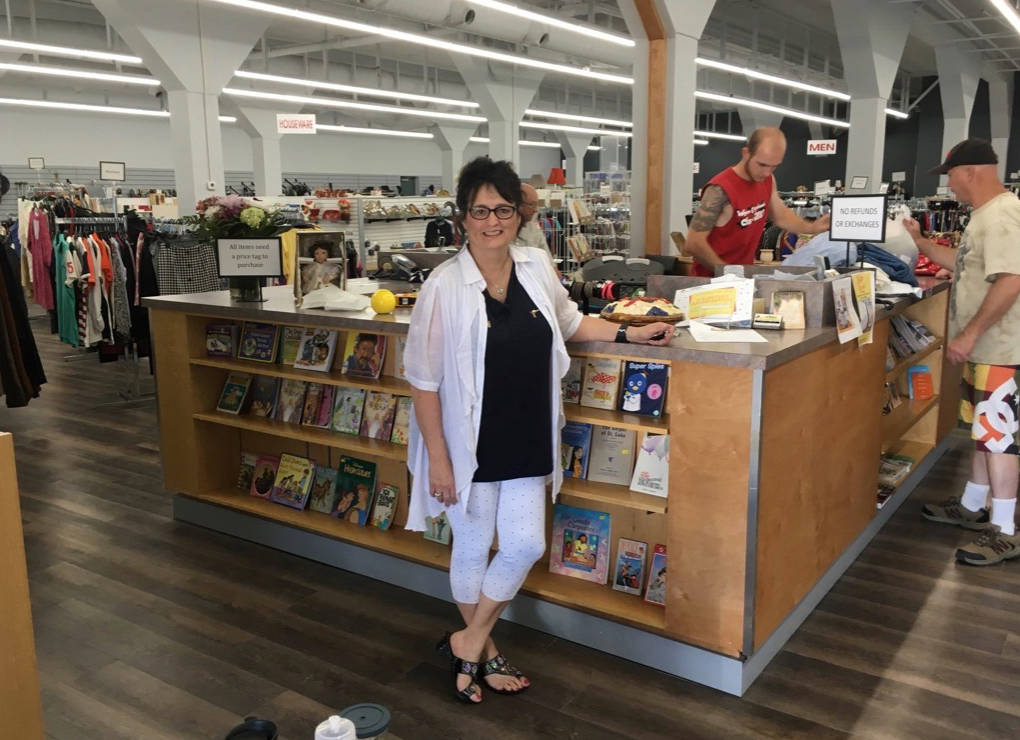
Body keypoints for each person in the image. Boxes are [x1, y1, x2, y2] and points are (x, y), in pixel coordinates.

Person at [403, 156, 674, 705]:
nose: (492, 221)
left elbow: (572, 323)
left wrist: (630, 335)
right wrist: (438, 458)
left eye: (502, 209)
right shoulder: (444, 286)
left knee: (525, 543)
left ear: (516, 215)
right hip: (467, 442)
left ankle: (468, 638)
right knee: (474, 543)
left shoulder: (533, 267)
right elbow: (423, 381)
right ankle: (486, 650)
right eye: (480, 211)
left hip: (528, 432)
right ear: (463, 218)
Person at [904, 138, 1020, 565]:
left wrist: (969, 334)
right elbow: (967, 264)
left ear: (970, 171)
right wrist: (920, 243)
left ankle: (1005, 530)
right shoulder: (985, 216)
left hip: (1000, 349)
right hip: (987, 349)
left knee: (999, 436)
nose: (949, 185)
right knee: (984, 434)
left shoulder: (1005, 214)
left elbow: (1011, 278)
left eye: (950, 175)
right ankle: (974, 504)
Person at [686, 127, 830, 277]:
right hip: (710, 286)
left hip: (741, 281)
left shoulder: (767, 180)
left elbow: (781, 216)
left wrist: (812, 227)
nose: (767, 172)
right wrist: (727, 274)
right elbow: (694, 243)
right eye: (761, 165)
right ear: (746, 153)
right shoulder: (719, 190)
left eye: (774, 166)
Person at [512, 183, 548, 251]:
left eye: (536, 205)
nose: (535, 210)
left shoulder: (533, 228)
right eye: (531, 205)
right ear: (519, 204)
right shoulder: (505, 230)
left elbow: (547, 257)